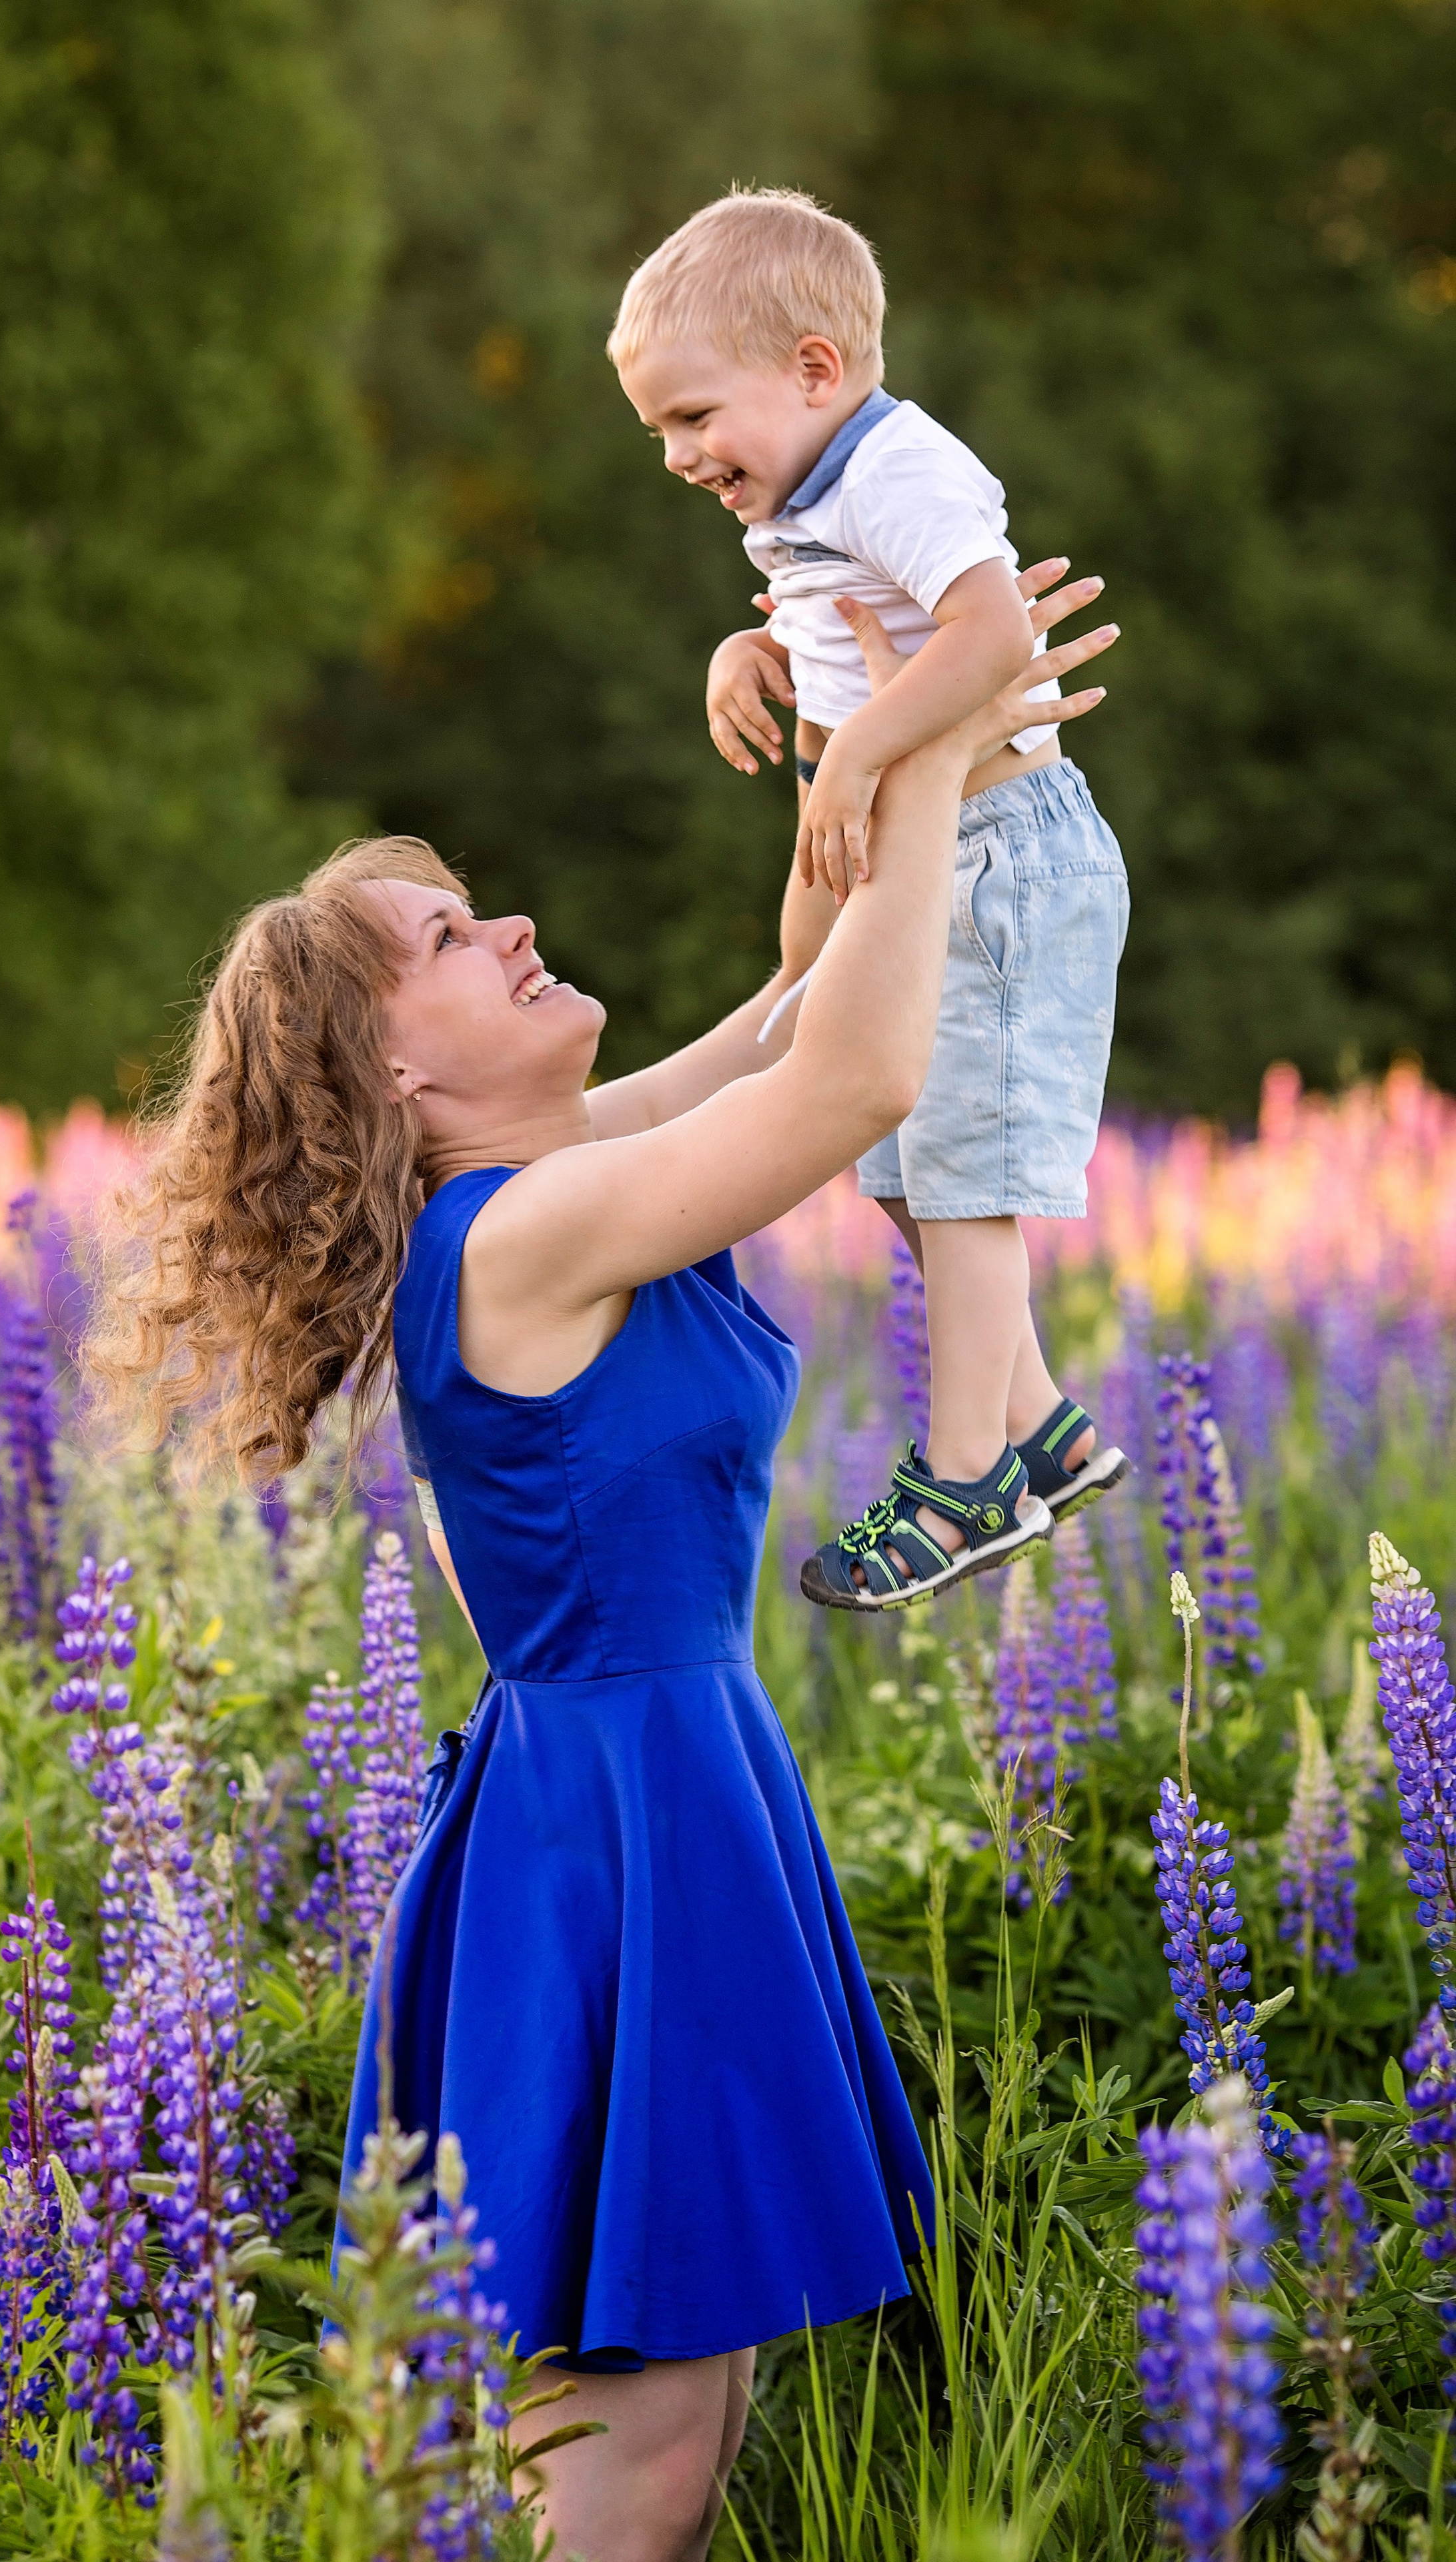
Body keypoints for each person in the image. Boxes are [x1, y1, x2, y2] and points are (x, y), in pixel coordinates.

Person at [87, 588, 1114, 2562]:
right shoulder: (520, 1236)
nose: (514, 929)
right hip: (614, 1821)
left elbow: (797, 1006)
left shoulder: (548, 1186)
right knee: (623, 2456)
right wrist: (921, 751)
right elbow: (855, 1085)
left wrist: (875, 716)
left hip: (658, 1790)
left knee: (677, 2418)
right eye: (449, 944)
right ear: (397, 1076)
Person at [609, 187, 1131, 1610]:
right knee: (897, 1165)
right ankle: (1038, 1425)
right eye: (658, 433)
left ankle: (969, 1479)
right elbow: (839, 627)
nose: (678, 456)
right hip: (920, 868)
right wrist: (746, 655)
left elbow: (991, 631)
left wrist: (853, 759)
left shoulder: (898, 469)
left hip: (997, 858)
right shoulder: (807, 497)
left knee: (960, 1180)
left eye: (692, 417)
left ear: (813, 369)